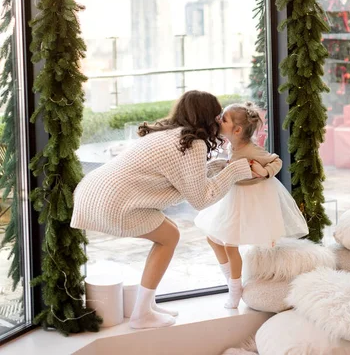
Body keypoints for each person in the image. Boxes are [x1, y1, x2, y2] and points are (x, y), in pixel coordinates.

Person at [71, 91, 258, 329]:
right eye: (218, 115)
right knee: (170, 237)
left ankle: (146, 305)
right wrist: (235, 171)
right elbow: (201, 198)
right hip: (113, 204)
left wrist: (220, 168)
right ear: (208, 116)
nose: (219, 120)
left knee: (169, 230)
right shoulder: (193, 144)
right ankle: (141, 315)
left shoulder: (170, 134)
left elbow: (186, 177)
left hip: (93, 193)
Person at [194, 102, 309, 309]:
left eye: (224, 118)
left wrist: (265, 172)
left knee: (230, 245)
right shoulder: (232, 145)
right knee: (213, 239)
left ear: (237, 130)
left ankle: (235, 291)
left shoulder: (252, 150)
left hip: (249, 198)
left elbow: (276, 161)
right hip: (233, 195)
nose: (219, 120)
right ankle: (232, 280)